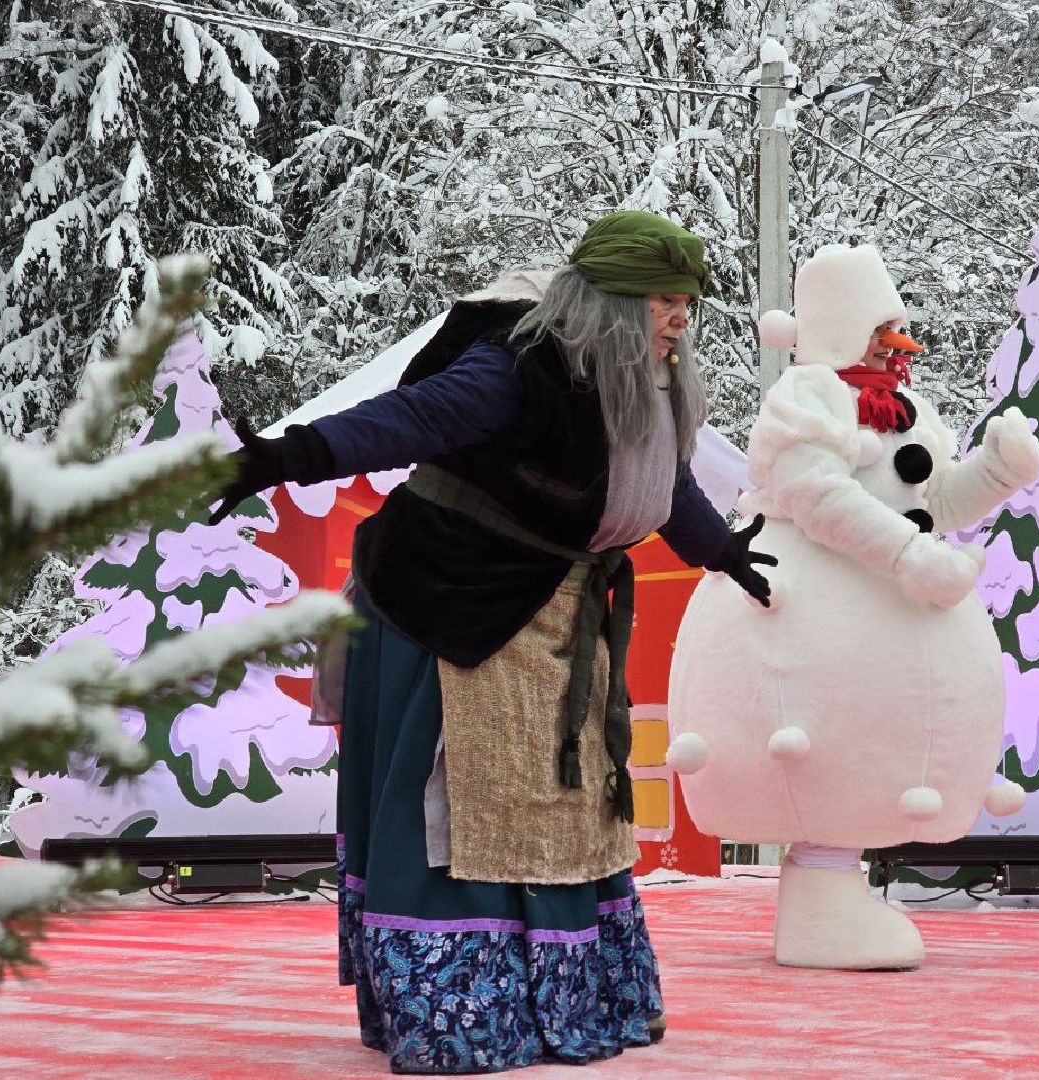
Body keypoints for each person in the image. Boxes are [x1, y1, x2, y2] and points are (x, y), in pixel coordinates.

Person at [209, 210, 775, 1073]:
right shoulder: (519, 365)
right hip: (450, 603)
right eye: (665, 301)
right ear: (613, 303)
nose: (680, 320)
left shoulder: (642, 383)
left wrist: (721, 552)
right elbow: (411, 418)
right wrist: (282, 458)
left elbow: (666, 484)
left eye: (686, 303)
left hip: (556, 613)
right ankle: (458, 1011)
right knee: (463, 803)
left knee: (559, 800)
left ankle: (565, 1000)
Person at [668, 243, 1038, 971]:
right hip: (810, 608)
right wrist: (907, 557)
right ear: (843, 327)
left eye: (896, 324)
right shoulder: (807, 396)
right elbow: (817, 495)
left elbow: (933, 503)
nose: (896, 341)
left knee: (871, 753)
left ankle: (837, 893)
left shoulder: (908, 407)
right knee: (826, 742)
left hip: (893, 608)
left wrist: (996, 473)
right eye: (880, 326)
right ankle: (822, 904)